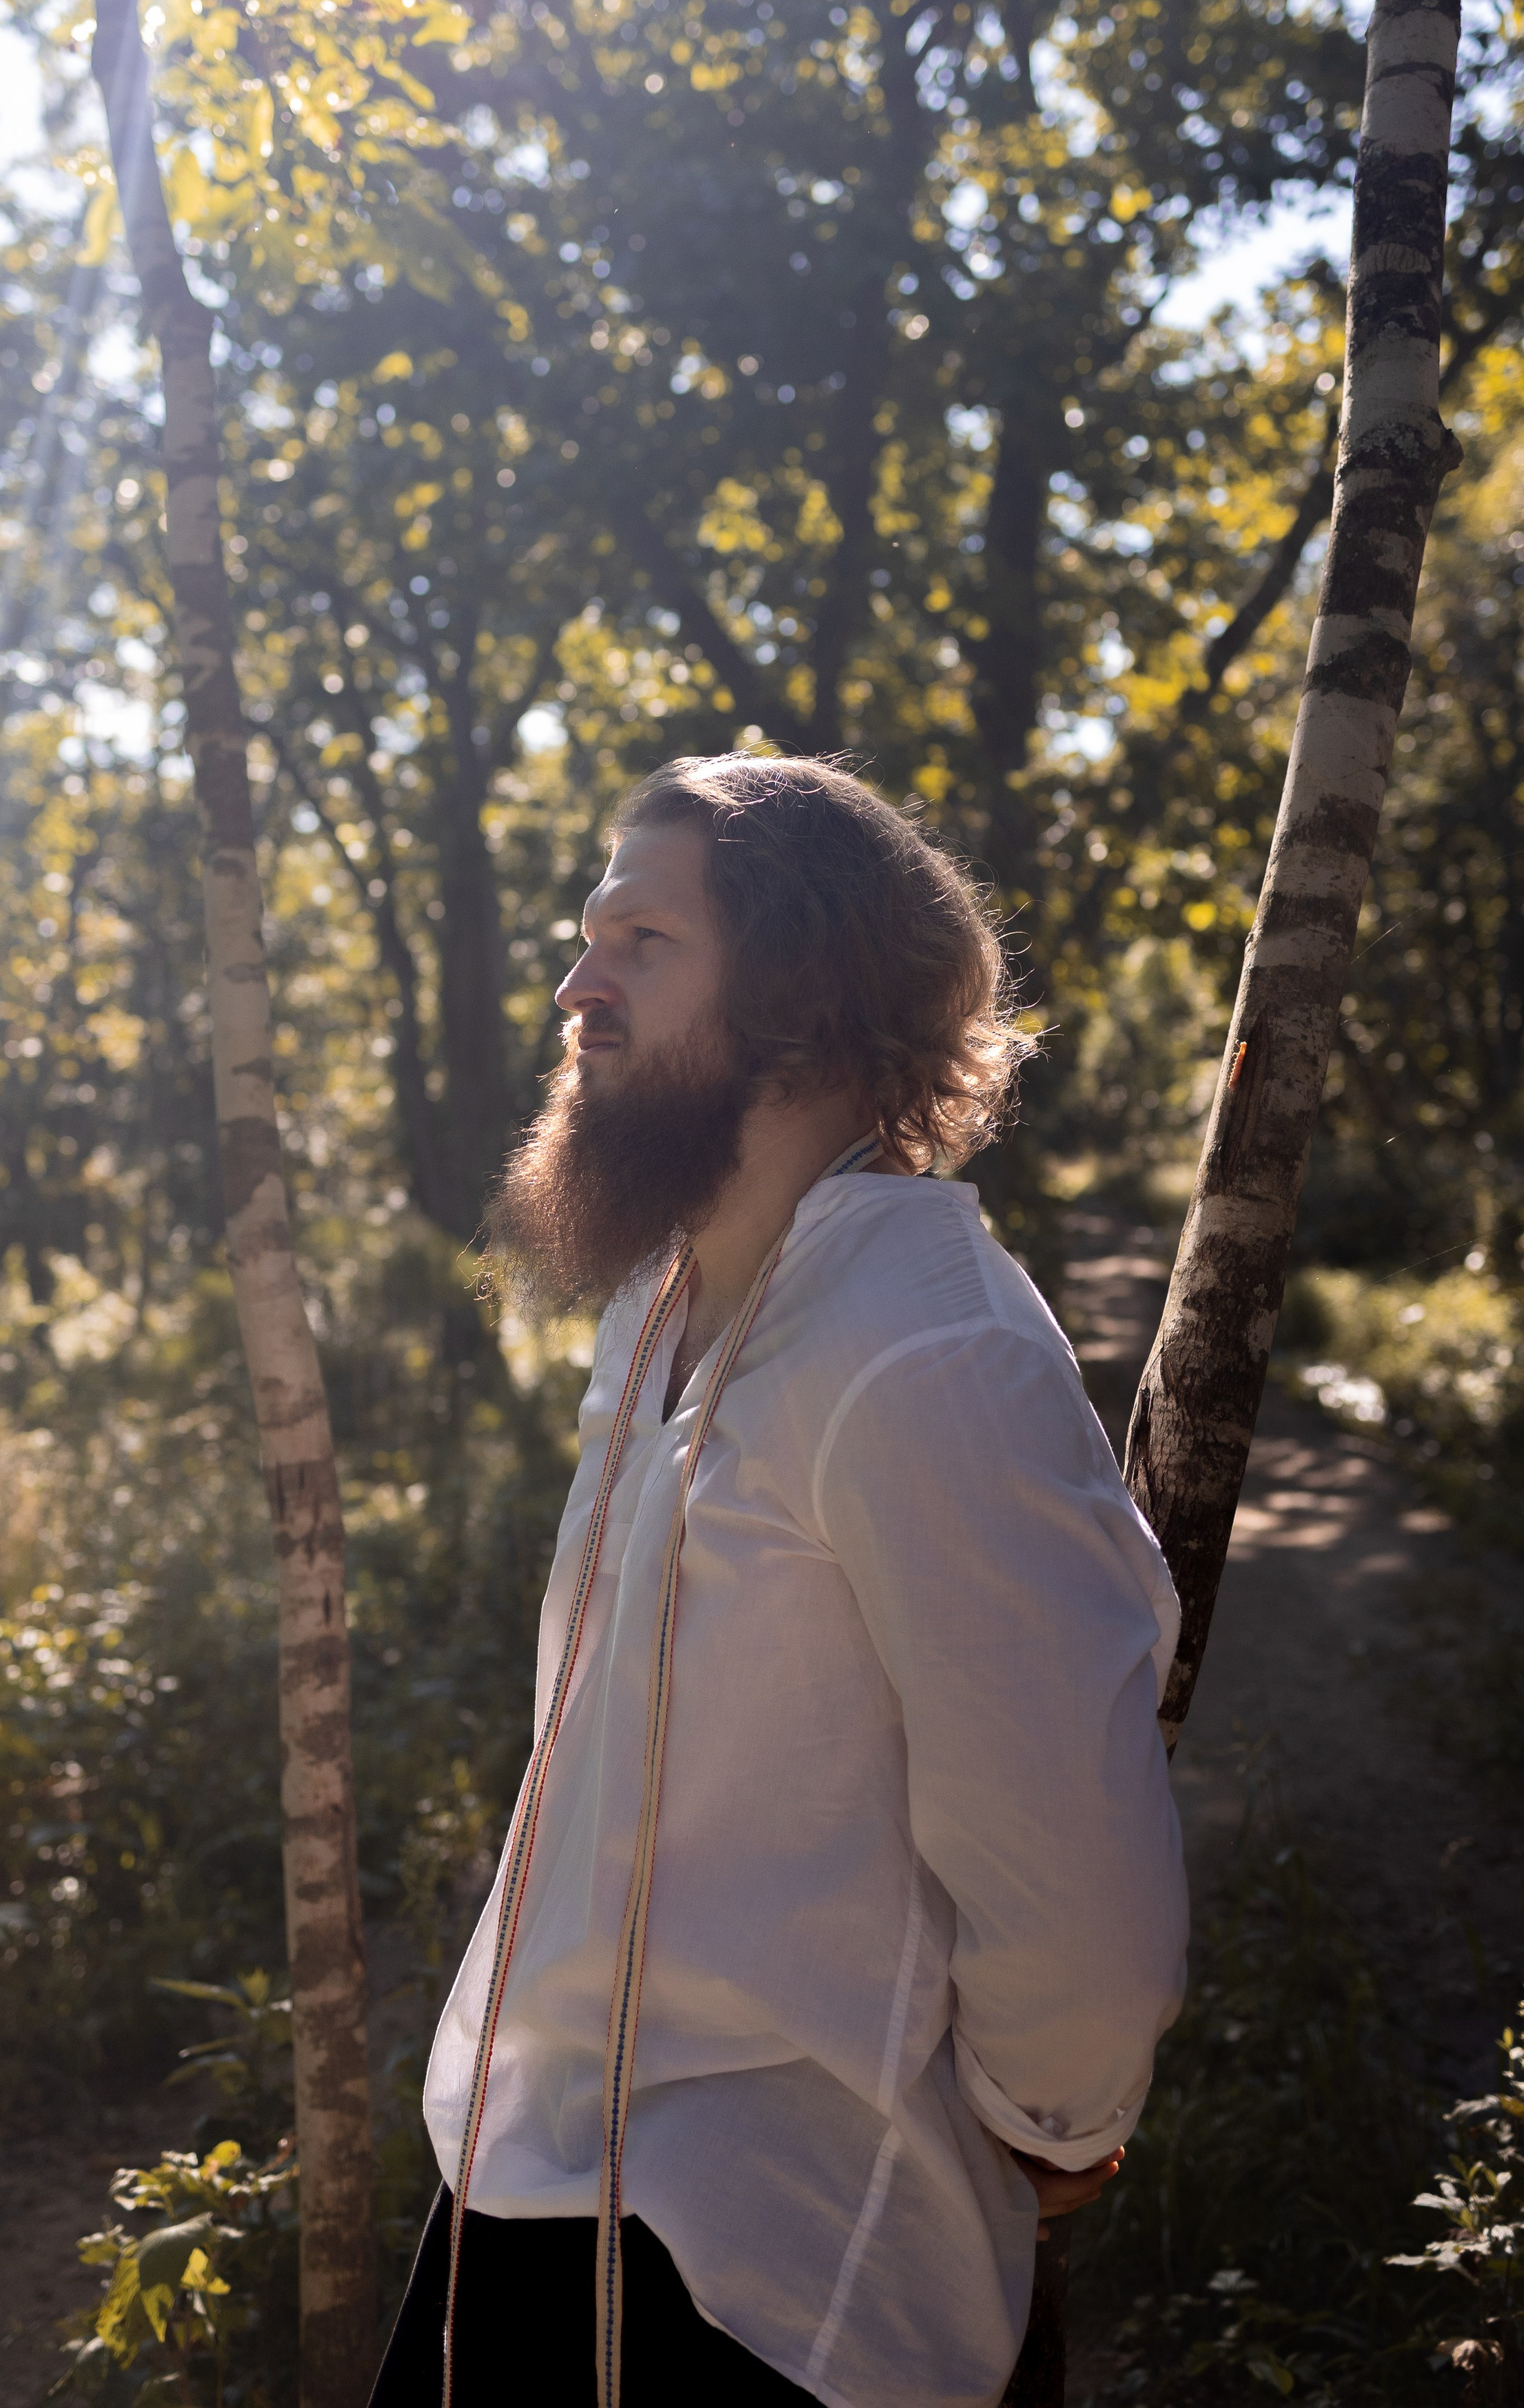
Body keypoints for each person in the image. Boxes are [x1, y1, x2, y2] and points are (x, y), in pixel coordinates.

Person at [372, 755, 1188, 2408]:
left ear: (803, 994)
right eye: (583, 936)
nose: (574, 983)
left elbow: (1066, 1848)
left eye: (640, 940)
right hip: (538, 2167)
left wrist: (1052, 2125)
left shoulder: (924, 1353)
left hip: (775, 2271)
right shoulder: (660, 1308)